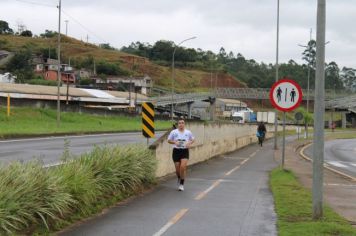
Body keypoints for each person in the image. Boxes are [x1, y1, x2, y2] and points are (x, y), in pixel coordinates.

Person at [167, 117, 195, 191]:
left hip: (184, 151)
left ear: (184, 124)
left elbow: (193, 139)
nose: (181, 124)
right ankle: (179, 177)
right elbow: (168, 140)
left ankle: (181, 184)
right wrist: (175, 142)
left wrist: (189, 143)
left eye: (182, 123)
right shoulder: (174, 132)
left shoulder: (188, 132)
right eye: (179, 123)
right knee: (177, 169)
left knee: (182, 167)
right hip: (176, 151)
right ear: (178, 124)